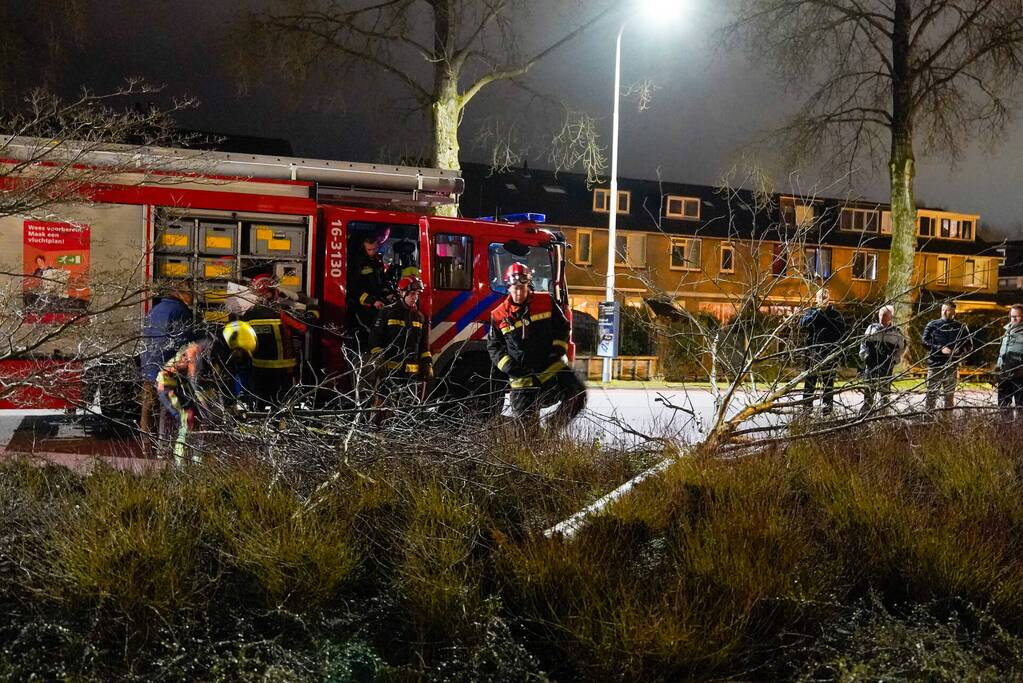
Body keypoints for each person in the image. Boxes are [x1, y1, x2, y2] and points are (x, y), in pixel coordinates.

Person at [486, 262, 586, 430]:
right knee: (528, 430)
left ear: (529, 285)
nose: (518, 292)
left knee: (577, 393)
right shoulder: (499, 315)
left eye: (522, 288)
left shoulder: (545, 301)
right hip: (522, 380)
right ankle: (520, 435)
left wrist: (557, 351)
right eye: (515, 288)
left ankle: (552, 428)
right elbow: (494, 346)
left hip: (549, 369)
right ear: (508, 288)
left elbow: (562, 326)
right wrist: (509, 366)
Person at [156, 321, 256, 465]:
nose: (240, 356)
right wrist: (205, 407)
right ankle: (180, 464)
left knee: (205, 420)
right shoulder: (204, 351)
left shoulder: (221, 353)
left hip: (186, 386)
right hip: (169, 384)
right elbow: (195, 380)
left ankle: (197, 459)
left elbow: (222, 383)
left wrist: (229, 404)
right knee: (187, 418)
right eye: (240, 351)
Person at [139, 282, 195, 451]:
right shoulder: (181, 311)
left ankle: (145, 444)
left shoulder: (154, 310)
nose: (191, 296)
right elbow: (184, 342)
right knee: (167, 406)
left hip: (149, 364)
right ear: (179, 293)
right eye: (189, 292)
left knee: (148, 405)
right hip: (167, 366)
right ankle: (164, 446)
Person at [368, 275, 432, 423]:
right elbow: (375, 338)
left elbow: (424, 345)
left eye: (417, 294)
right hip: (389, 373)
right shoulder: (387, 312)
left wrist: (427, 363)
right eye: (412, 294)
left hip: (411, 376)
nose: (415, 297)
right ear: (402, 293)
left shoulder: (420, 317)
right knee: (382, 412)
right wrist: (378, 359)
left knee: (407, 415)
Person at [239, 273, 308, 408]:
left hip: (259, 370)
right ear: (271, 293)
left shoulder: (249, 315)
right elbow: (303, 328)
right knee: (282, 407)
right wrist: (312, 310)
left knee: (261, 407)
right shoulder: (281, 313)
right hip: (283, 371)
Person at [799, 287, 847, 415]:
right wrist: (817, 313)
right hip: (812, 353)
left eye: (825, 297)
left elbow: (842, 333)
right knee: (809, 383)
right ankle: (807, 410)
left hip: (829, 354)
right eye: (820, 297)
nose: (823, 299)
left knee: (828, 384)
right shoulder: (811, 312)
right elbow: (803, 324)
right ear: (816, 299)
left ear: (829, 298)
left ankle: (827, 411)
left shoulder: (835, 315)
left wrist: (837, 351)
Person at [922, 301, 973, 412]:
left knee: (949, 398)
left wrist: (958, 351)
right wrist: (939, 348)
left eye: (948, 310)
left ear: (954, 312)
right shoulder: (932, 325)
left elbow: (969, 346)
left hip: (952, 367)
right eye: (943, 310)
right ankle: (928, 419)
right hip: (935, 366)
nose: (944, 312)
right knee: (931, 396)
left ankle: (947, 420)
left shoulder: (961, 327)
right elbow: (924, 342)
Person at [349, 228, 395, 349]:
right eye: (369, 249)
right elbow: (354, 288)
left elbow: (381, 282)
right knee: (372, 332)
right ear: (363, 247)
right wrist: (372, 301)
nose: (372, 252)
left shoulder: (377, 260)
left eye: (374, 249)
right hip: (363, 307)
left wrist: (388, 294)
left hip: (377, 303)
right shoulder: (357, 262)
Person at [858, 305, 906, 416]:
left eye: (885, 316)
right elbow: (863, 344)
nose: (882, 318)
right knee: (868, 394)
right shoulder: (871, 329)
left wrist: (894, 360)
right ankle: (866, 416)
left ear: (891, 317)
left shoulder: (896, 332)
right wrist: (864, 356)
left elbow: (902, 348)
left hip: (886, 368)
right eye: (880, 315)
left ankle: (883, 417)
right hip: (871, 366)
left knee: (884, 395)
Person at [995, 304, 1023, 417]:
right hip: (1004, 375)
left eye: (1017, 316)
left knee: (1021, 408)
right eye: (1012, 316)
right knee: (1003, 407)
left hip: (1020, 377)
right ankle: (1005, 428)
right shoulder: (1007, 331)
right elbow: (1002, 352)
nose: (1014, 319)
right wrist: (998, 367)